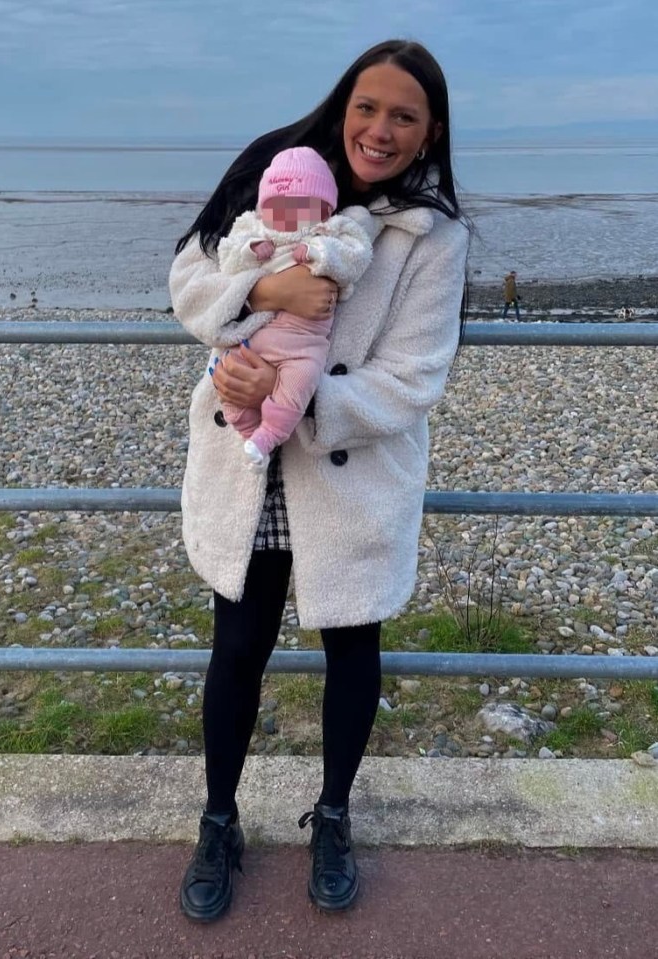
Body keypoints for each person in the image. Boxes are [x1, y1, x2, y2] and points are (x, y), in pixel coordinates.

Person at [169, 38, 469, 921]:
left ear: (430, 132)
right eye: (367, 107)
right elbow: (189, 272)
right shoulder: (274, 167)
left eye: (403, 116)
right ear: (344, 104)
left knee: (352, 649)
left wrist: (296, 401)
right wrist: (267, 298)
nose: (379, 129)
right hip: (247, 456)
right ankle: (218, 818)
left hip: (347, 466)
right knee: (239, 646)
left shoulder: (432, 234)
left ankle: (332, 814)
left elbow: (414, 377)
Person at [216, 146, 377, 471]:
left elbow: (355, 258)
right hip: (255, 337)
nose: (290, 215)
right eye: (279, 206)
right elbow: (227, 257)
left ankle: (269, 434)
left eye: (303, 207)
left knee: (300, 380)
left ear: (325, 210)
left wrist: (318, 253)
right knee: (227, 380)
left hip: (303, 344)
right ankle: (251, 436)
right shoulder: (255, 230)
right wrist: (251, 252)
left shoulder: (330, 233)